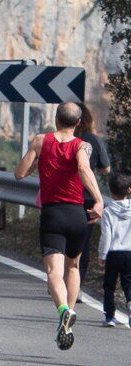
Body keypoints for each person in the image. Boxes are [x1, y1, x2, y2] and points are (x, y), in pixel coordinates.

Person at [15, 101, 104, 350]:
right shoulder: (82, 145)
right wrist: (98, 200)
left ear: (55, 119)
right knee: (73, 266)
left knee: (54, 271)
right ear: (78, 123)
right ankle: (70, 314)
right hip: (77, 215)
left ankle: (63, 309)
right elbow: (84, 170)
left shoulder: (41, 141)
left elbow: (19, 173)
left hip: (52, 214)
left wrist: (36, 161)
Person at [77, 103, 112, 282]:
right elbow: (106, 169)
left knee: (61, 241)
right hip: (87, 197)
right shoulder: (93, 140)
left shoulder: (61, 138)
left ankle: (59, 281)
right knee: (83, 242)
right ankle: (77, 284)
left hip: (63, 196)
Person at [99, 173, 131, 327]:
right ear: (129, 190)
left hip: (113, 253)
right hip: (130, 252)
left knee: (109, 285)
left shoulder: (108, 211)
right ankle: (130, 302)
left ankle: (110, 316)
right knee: (128, 283)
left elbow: (106, 235)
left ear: (111, 192)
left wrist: (102, 255)